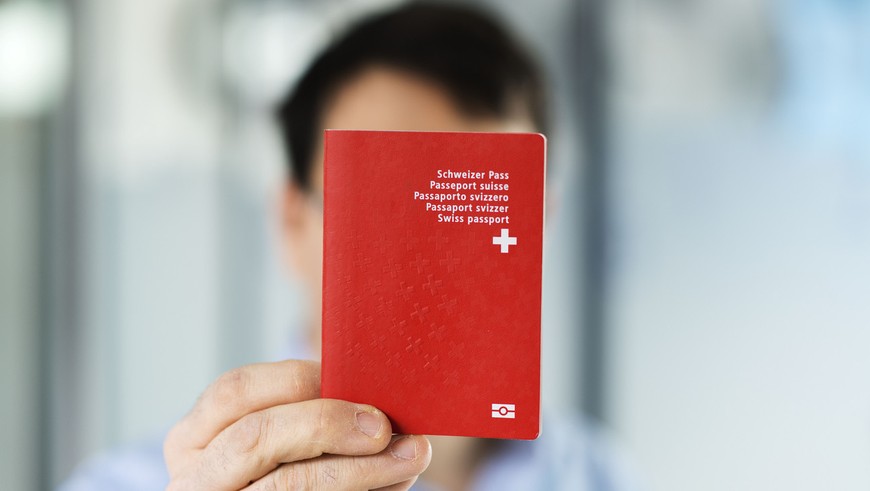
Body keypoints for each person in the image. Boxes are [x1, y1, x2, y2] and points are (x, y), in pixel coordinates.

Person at [60, 3, 640, 490]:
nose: (435, 265)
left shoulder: (605, 477)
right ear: (292, 221)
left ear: (540, 227)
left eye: (476, 211)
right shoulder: (128, 483)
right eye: (385, 211)